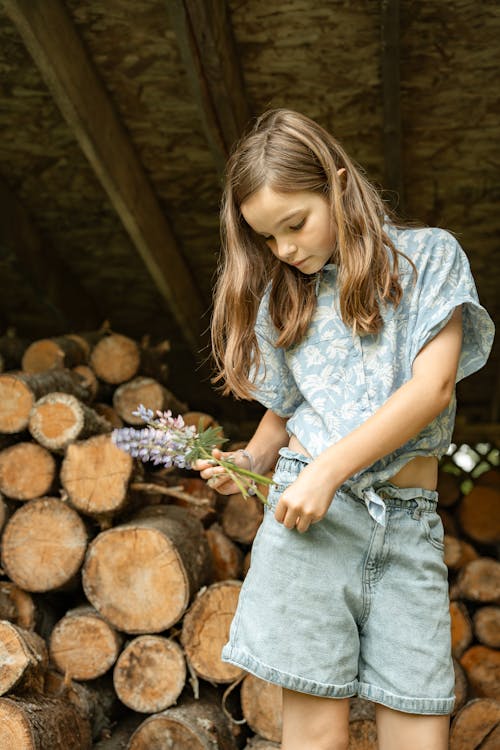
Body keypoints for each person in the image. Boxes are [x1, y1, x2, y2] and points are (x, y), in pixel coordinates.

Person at [194, 109, 495, 750]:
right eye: (268, 239)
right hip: (309, 528)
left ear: (336, 183)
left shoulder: (428, 258)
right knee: (315, 734)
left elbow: (432, 387)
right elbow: (289, 405)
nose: (286, 250)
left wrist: (332, 469)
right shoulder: (285, 296)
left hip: (406, 521)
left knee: (418, 722)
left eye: (295, 224)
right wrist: (248, 458)